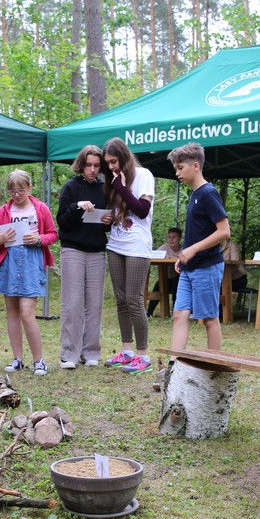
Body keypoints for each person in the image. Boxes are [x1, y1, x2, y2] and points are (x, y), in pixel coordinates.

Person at [0, 170, 59, 376]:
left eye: (20, 190)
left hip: (31, 261)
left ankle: (39, 361)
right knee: (12, 312)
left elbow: (53, 234)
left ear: (29, 187)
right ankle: (17, 359)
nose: (17, 195)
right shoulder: (3, 210)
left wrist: (38, 239)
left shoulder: (40, 208)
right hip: (9, 262)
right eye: (12, 191)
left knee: (27, 313)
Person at [167, 143, 230, 356]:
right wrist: (184, 254)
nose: (177, 173)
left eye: (180, 168)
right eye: (175, 169)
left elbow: (224, 231)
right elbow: (198, 231)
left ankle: (213, 366)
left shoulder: (208, 193)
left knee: (209, 318)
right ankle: (174, 364)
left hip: (207, 266)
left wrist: (193, 249)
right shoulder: (195, 194)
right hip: (189, 267)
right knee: (179, 314)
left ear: (195, 166)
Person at [100, 137, 156, 374]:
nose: (111, 166)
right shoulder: (113, 180)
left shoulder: (143, 175)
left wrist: (122, 187)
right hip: (115, 245)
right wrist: (107, 218)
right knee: (121, 300)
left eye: (114, 162)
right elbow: (118, 212)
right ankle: (127, 351)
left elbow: (142, 211)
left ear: (124, 157)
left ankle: (143, 355)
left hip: (137, 247)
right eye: (108, 163)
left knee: (134, 300)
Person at [56, 145, 113, 369]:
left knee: (95, 304)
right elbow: (62, 222)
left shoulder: (105, 188)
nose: (92, 170)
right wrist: (76, 206)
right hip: (73, 250)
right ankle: (69, 354)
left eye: (96, 165)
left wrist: (109, 221)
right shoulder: (71, 187)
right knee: (72, 303)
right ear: (81, 165)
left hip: (97, 250)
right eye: (88, 165)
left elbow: (106, 225)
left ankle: (91, 352)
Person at [146, 227, 182, 317]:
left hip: (180, 279)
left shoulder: (184, 249)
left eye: (174, 237)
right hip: (166, 279)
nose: (171, 240)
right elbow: (154, 255)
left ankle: (175, 312)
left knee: (177, 284)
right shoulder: (165, 247)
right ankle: (149, 312)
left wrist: (174, 259)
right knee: (158, 285)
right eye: (169, 237)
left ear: (180, 239)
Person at [219, 237, 248, 320]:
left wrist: (223, 276)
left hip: (238, 278)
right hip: (220, 278)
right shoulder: (211, 247)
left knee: (220, 286)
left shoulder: (232, 245)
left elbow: (235, 263)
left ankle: (222, 314)